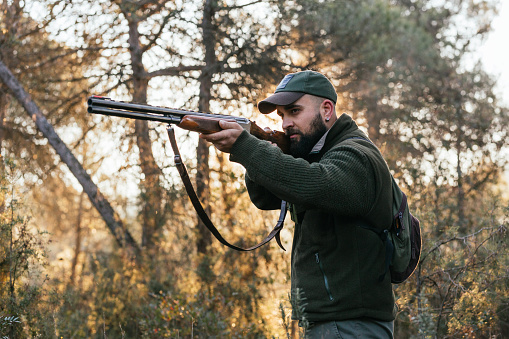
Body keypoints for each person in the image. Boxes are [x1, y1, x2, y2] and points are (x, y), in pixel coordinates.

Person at [199, 70, 396, 338]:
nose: (285, 123)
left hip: (351, 325)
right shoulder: (317, 154)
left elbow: (314, 185)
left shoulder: (356, 155)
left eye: (294, 111)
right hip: (333, 322)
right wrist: (261, 148)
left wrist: (247, 148)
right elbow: (265, 197)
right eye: (281, 115)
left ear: (327, 110)